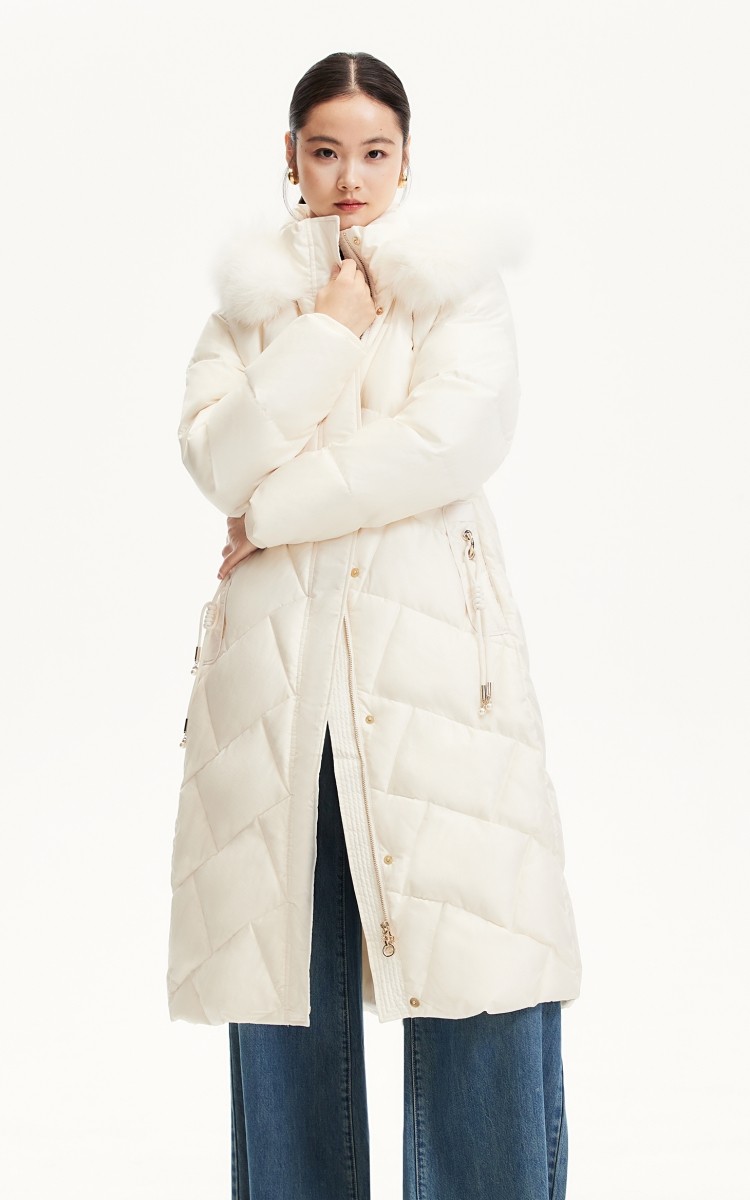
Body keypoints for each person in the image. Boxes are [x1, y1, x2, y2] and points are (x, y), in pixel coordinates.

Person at [167, 50, 582, 1200]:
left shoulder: (456, 285)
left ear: (406, 159)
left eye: (374, 152)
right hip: (278, 690)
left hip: (436, 682)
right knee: (284, 1003)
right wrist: (332, 328)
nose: (350, 177)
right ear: (291, 157)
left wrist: (273, 512)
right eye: (326, 151)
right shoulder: (252, 307)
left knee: (480, 968)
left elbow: (448, 443)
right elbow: (217, 459)